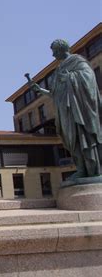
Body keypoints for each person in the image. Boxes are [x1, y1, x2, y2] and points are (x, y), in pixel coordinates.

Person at [28, 39, 102, 180]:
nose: (53, 55)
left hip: (79, 110)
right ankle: (81, 169)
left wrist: (69, 77)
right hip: (65, 112)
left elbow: (89, 79)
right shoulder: (59, 69)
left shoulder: (78, 61)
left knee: (83, 138)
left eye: (54, 51)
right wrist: (40, 90)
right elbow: (54, 93)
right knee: (72, 141)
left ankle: (92, 170)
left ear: (62, 49)